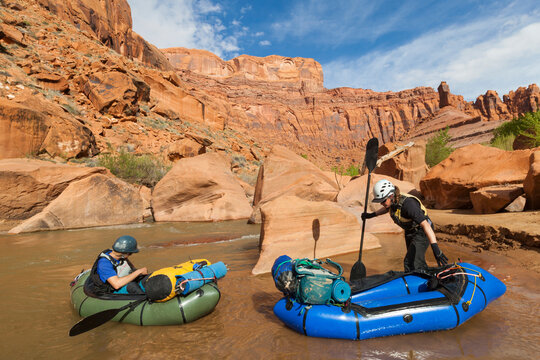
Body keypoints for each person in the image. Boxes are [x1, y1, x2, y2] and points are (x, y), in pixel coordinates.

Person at [361, 179, 449, 272]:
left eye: (383, 201)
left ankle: (419, 279)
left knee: (410, 262)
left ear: (391, 195)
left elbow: (426, 225)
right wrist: (371, 215)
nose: (381, 203)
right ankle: (424, 275)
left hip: (422, 231)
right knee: (415, 261)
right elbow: (387, 208)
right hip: (410, 231)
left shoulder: (409, 204)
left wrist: (435, 248)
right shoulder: (393, 201)